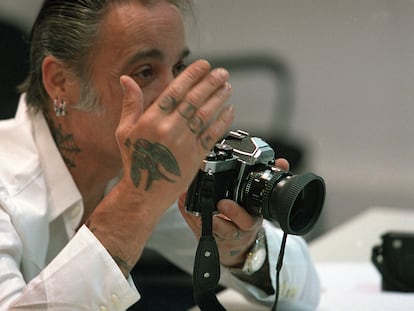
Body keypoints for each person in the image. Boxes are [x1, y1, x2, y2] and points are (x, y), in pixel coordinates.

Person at [0, 0, 320, 310]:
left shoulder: (138, 165)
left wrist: (242, 251)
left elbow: (305, 287)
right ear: (61, 82)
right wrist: (136, 200)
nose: (174, 95)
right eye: (145, 71)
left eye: (178, 67)